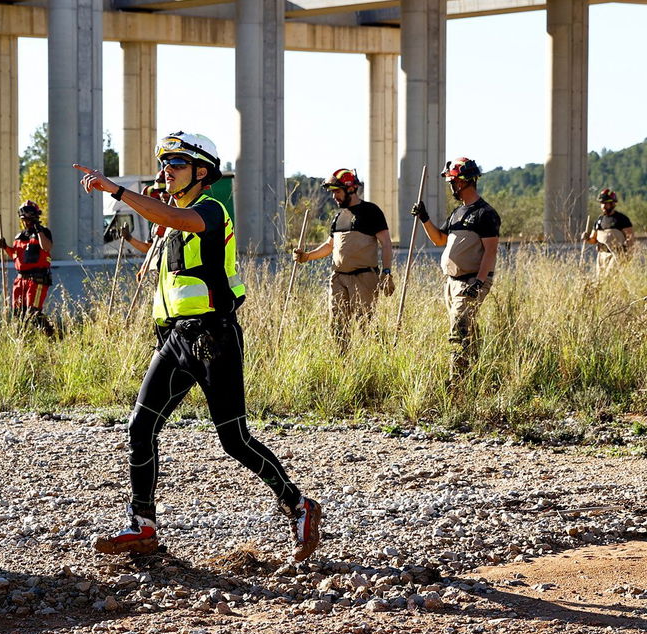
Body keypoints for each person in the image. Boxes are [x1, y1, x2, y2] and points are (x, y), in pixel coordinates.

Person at [74, 132, 322, 562]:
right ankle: (143, 526)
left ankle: (299, 506)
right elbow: (162, 247)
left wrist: (116, 190)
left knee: (234, 439)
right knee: (139, 427)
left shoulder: (210, 209)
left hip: (214, 336)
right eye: (163, 164)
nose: (165, 171)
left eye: (176, 164)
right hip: (174, 339)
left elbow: (179, 221)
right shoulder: (170, 222)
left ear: (201, 172)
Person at [410, 157, 501, 381]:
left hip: (471, 282)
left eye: (452, 182)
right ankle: (480, 372)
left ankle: (456, 381)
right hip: (451, 282)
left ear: (463, 182)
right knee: (467, 328)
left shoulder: (485, 213)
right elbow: (439, 240)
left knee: (458, 329)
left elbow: (490, 252)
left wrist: (478, 282)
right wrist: (424, 218)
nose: (451, 187)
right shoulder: (457, 213)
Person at [292, 169, 394, 351]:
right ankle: (342, 362)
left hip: (364, 279)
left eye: (337, 191)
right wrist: (306, 256)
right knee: (337, 325)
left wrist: (386, 273)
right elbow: (330, 245)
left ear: (350, 189)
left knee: (366, 324)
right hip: (338, 279)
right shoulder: (338, 217)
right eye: (332, 192)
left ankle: (378, 357)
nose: (334, 196)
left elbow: (386, 243)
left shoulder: (371, 211)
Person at [0, 200, 55, 331]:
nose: (26, 222)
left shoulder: (44, 233)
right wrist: (5, 247)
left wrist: (38, 229)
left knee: (33, 313)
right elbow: (15, 256)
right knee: (18, 314)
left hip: (37, 278)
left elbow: (46, 247)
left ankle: (53, 337)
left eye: (28, 219)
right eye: (23, 219)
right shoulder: (19, 236)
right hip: (20, 280)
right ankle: (22, 341)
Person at [585, 188, 635, 278]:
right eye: (601, 203)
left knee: (610, 279)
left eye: (605, 203)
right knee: (600, 281)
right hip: (601, 256)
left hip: (616, 256)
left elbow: (630, 238)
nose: (603, 206)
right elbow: (593, 239)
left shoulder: (621, 219)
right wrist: (587, 238)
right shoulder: (599, 220)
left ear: (612, 203)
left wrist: (627, 255)